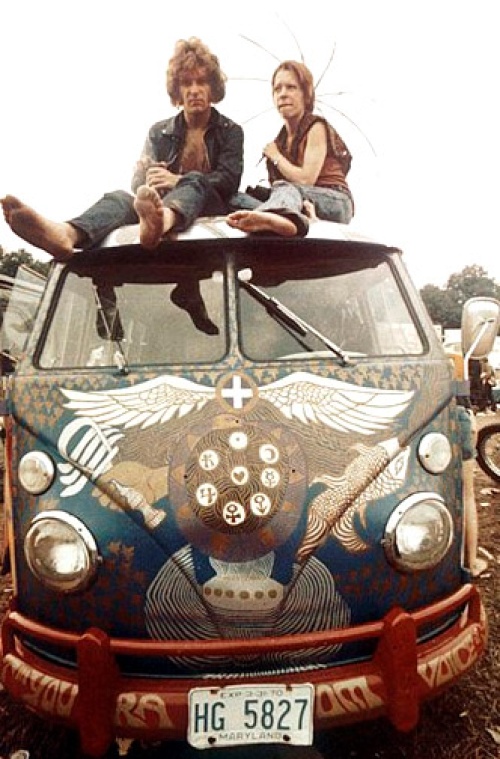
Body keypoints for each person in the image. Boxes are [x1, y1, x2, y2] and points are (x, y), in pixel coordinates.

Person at [1, 38, 244, 333]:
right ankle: (67, 233)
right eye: (186, 83)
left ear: (213, 87)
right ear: (177, 91)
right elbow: (139, 186)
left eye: (201, 82)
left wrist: (177, 180)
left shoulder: (231, 131)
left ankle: (161, 223)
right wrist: (147, 177)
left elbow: (229, 180)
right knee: (119, 197)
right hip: (158, 208)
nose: (194, 90)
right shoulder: (159, 131)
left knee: (195, 180)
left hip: (210, 208)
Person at [227, 60, 354, 237]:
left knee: (285, 188)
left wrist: (277, 157)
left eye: (291, 87)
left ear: (306, 95)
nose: (283, 94)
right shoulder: (280, 141)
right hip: (296, 198)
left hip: (334, 200)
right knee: (234, 197)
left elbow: (306, 180)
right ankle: (292, 217)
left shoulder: (316, 127)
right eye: (277, 89)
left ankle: (282, 217)